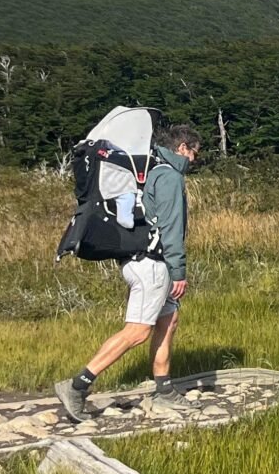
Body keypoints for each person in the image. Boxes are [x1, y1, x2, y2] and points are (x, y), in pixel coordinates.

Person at [56, 122, 201, 421]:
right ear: (182, 147)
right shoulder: (169, 176)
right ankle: (77, 387)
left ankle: (164, 392)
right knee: (137, 331)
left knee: (168, 320)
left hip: (142, 260)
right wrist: (179, 271)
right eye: (194, 153)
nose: (194, 160)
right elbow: (170, 228)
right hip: (152, 265)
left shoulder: (151, 170)